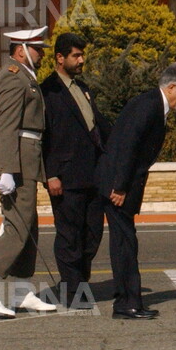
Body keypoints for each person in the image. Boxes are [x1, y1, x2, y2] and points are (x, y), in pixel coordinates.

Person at [95, 63, 176, 319]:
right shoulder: (149, 105)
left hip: (124, 183)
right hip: (119, 185)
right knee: (124, 244)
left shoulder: (155, 105)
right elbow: (128, 146)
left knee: (126, 242)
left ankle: (131, 300)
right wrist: (120, 186)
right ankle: (126, 303)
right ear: (171, 86)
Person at [0, 26, 57, 317]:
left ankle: (21, 290)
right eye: (37, 49)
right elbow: (6, 127)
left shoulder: (25, 78)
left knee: (28, 225)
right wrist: (7, 170)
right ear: (21, 49)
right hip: (16, 161)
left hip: (25, 160)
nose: (41, 54)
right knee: (18, 226)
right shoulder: (13, 77)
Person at [41, 33, 111, 309]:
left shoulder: (82, 87)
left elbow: (97, 127)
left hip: (92, 175)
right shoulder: (48, 91)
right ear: (60, 58)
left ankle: (79, 284)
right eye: (76, 56)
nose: (81, 60)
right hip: (65, 177)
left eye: (82, 55)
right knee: (69, 236)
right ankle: (73, 292)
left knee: (92, 234)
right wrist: (50, 173)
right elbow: (44, 136)